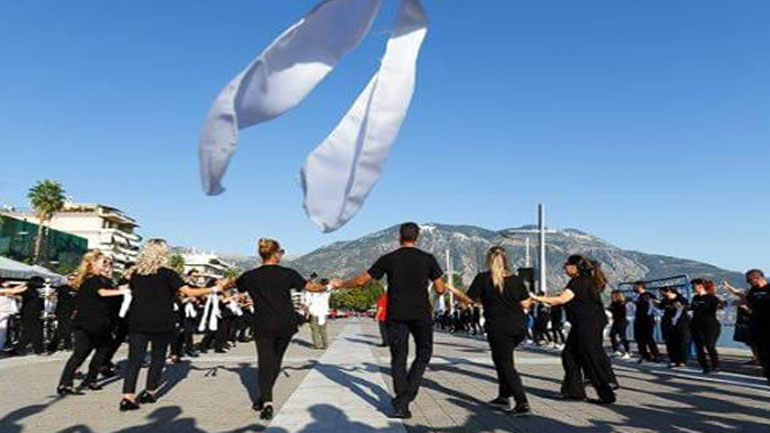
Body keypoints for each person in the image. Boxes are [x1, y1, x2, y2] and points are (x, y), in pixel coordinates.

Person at [332, 222, 451, 419]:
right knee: (424, 352)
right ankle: (406, 398)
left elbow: (363, 280)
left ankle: (401, 402)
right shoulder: (427, 259)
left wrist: (342, 284)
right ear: (417, 237)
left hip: (396, 314)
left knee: (398, 357)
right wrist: (440, 288)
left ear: (399, 237)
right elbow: (439, 289)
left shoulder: (389, 258)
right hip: (420, 313)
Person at [119, 239, 221, 411]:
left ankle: (127, 397)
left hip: (138, 320)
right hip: (161, 321)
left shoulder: (136, 274)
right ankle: (150, 392)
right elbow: (188, 291)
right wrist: (212, 289)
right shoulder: (167, 273)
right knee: (158, 358)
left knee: (134, 360)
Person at [235, 238, 329, 421]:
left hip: (263, 323)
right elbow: (313, 288)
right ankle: (264, 396)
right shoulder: (288, 274)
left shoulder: (250, 276)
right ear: (276, 254)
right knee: (276, 360)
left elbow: (232, 285)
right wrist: (329, 285)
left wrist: (218, 286)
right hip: (286, 323)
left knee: (265, 362)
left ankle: (266, 400)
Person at [452, 246, 533, 415]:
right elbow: (526, 304)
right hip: (519, 326)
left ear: (489, 260)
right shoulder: (516, 279)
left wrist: (454, 291)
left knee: (505, 365)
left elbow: (468, 300)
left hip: (498, 327)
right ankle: (503, 397)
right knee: (504, 360)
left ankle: (522, 402)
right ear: (506, 259)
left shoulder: (482, 278)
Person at [532, 255, 616, 404]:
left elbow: (561, 299)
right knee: (569, 355)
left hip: (587, 324)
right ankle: (574, 392)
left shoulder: (578, 281)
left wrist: (536, 298)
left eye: (566, 264)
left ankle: (606, 395)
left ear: (574, 267)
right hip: (585, 323)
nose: (564, 267)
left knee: (590, 358)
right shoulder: (586, 280)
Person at [56, 251, 126, 395]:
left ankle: (89, 380)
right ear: (92, 264)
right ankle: (66, 383)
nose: (108, 265)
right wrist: (123, 291)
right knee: (81, 352)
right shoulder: (91, 279)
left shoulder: (104, 280)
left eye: (110, 263)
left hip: (100, 323)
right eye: (104, 262)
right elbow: (102, 293)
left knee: (101, 351)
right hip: (88, 323)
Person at [737, 270, 770, 385]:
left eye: (749, 280)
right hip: (757, 326)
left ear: (757, 278)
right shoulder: (753, 291)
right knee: (762, 356)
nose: (748, 283)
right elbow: (748, 304)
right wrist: (744, 306)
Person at [0, 276, 46, 356]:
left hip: (35, 314)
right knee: (33, 332)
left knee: (31, 333)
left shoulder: (36, 291)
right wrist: (24, 285)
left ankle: (19, 349)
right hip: (27, 314)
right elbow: (13, 292)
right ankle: (37, 350)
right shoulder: (27, 290)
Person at [688, 279, 722, 374]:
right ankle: (704, 367)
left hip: (710, 325)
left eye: (693, 286)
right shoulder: (695, 298)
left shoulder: (711, 298)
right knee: (699, 347)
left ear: (700, 286)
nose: (692, 288)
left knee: (709, 345)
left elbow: (712, 309)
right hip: (696, 325)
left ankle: (715, 365)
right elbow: (692, 308)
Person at [660, 287, 690, 368]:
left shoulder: (680, 298)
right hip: (669, 323)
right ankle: (673, 360)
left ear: (669, 292)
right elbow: (661, 307)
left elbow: (687, 306)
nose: (662, 295)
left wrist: (680, 306)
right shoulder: (665, 300)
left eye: (663, 293)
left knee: (681, 343)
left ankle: (682, 360)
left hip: (681, 323)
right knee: (670, 343)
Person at [633, 282, 662, 363]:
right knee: (639, 339)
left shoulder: (648, 295)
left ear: (640, 286)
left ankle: (656, 355)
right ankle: (644, 356)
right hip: (639, 319)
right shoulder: (638, 296)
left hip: (647, 319)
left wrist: (653, 302)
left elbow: (657, 302)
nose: (634, 288)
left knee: (649, 338)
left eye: (635, 286)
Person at [48, 275, 77, 353]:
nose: (72, 281)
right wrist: (52, 296)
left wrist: (76, 310)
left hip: (71, 311)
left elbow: (76, 301)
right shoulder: (62, 288)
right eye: (70, 279)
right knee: (67, 328)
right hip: (61, 311)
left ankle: (52, 346)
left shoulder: (76, 289)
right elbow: (52, 295)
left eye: (73, 279)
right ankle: (68, 345)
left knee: (61, 329)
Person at [304, 282, 330, 350]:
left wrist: (306, 309)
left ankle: (317, 345)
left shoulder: (311, 293)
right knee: (323, 330)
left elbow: (307, 302)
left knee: (315, 330)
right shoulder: (326, 292)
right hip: (324, 313)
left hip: (314, 313)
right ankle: (325, 345)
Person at [608, 290, 631, 359]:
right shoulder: (614, 303)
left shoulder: (622, 303)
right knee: (612, 334)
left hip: (622, 321)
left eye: (613, 295)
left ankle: (627, 351)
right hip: (616, 321)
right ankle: (616, 350)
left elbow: (622, 312)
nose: (611, 297)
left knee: (622, 336)